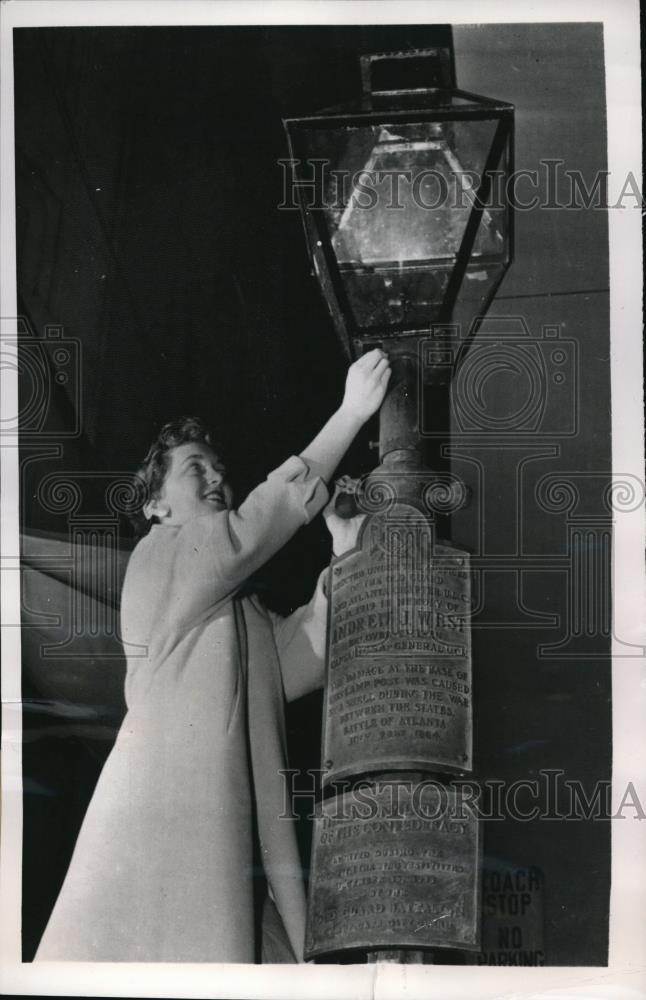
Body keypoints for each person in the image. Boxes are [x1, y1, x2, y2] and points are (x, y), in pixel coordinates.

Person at [35, 349, 390, 964]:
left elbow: (300, 657)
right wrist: (350, 414)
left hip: (215, 839)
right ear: (156, 506)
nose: (215, 477)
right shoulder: (162, 554)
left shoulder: (230, 606)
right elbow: (252, 529)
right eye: (194, 467)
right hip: (166, 824)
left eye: (218, 466)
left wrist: (344, 553)